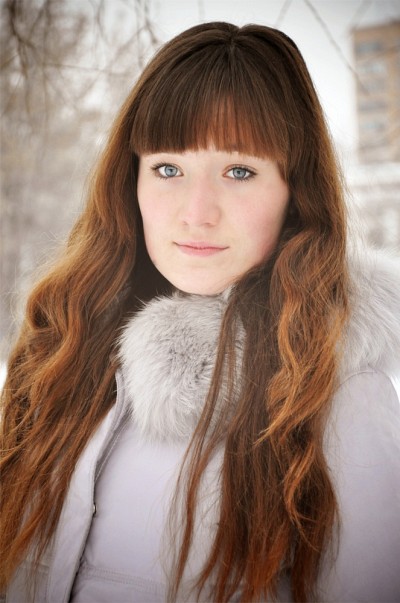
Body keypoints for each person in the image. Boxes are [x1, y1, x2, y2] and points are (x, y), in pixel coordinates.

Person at [1, 21, 399, 603]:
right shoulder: (64, 352)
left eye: (239, 172)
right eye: (168, 168)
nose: (197, 212)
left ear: (295, 193)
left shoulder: (335, 393)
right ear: (131, 182)